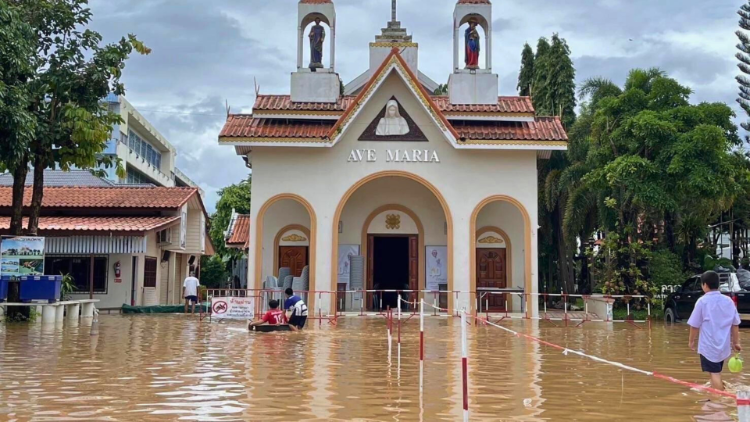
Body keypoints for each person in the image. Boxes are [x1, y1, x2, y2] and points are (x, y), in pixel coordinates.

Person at [688, 271, 742, 391]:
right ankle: (714, 398)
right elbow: (735, 324)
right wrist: (736, 342)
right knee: (715, 371)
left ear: (705, 285)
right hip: (723, 346)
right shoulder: (728, 301)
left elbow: (694, 325)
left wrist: (691, 341)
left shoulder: (702, 302)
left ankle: (718, 401)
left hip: (708, 346)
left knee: (714, 373)